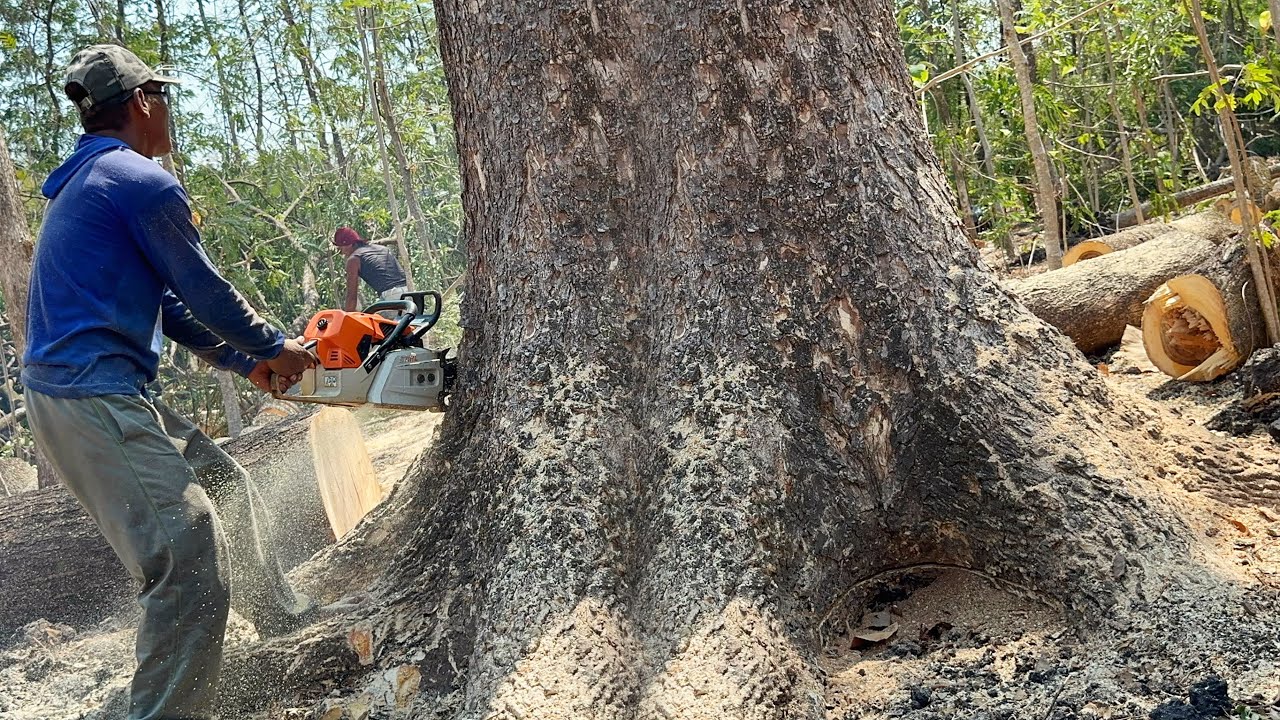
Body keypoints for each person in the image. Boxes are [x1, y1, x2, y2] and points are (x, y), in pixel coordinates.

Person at [22, 44, 320, 720]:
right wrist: (275, 347)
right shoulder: (140, 181)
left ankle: (283, 617)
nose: (168, 110)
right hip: (90, 394)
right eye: (163, 97)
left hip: (96, 388)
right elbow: (205, 292)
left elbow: (168, 306)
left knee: (224, 484)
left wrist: (247, 362)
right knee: (187, 559)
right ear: (141, 102)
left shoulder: (94, 178)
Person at [333, 226, 408, 312]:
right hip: (410, 291)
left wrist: (347, 317)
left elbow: (351, 296)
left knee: (373, 320)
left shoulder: (354, 259)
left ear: (348, 244)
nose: (342, 253)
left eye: (340, 248)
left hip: (392, 296)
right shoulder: (383, 249)